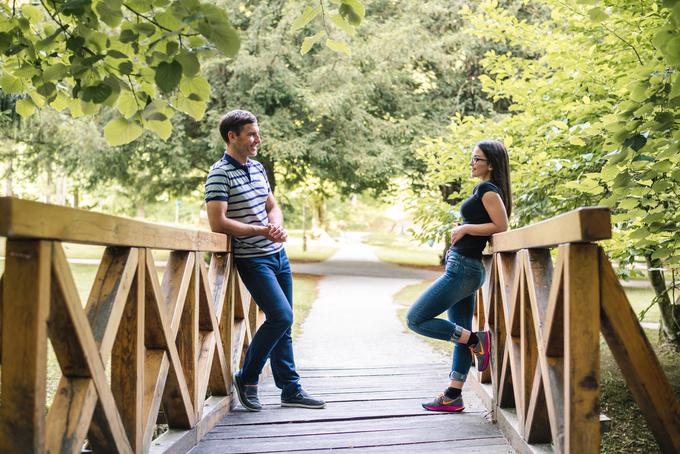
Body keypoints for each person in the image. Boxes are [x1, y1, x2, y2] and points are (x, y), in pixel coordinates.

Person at [205, 110, 325, 411]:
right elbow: (217, 223)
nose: (257, 139)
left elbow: (272, 205)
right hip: (253, 259)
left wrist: (276, 225)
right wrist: (260, 230)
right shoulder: (219, 173)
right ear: (232, 136)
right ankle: (247, 377)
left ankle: (290, 389)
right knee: (281, 316)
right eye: (251, 134)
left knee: (284, 323)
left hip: (277, 256)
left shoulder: (257, 168)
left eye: (257, 133)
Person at [406, 140, 512, 412]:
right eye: (472, 158)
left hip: (462, 269)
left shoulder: (487, 189)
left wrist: (465, 229)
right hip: (466, 267)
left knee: (416, 319)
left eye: (477, 159)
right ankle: (453, 395)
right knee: (459, 333)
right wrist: (466, 227)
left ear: (491, 164)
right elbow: (487, 224)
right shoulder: (485, 190)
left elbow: (501, 226)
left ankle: (478, 340)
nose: (472, 163)